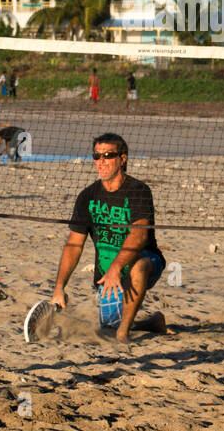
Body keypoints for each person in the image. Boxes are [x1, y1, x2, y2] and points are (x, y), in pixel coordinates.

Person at [52, 133, 169, 342]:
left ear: (122, 159)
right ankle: (152, 323)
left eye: (107, 155)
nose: (101, 162)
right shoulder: (87, 196)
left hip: (145, 260)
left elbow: (140, 234)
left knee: (139, 267)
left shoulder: (138, 191)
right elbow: (74, 244)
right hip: (107, 275)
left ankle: (123, 335)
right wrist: (60, 287)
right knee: (108, 327)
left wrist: (116, 267)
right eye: (96, 156)